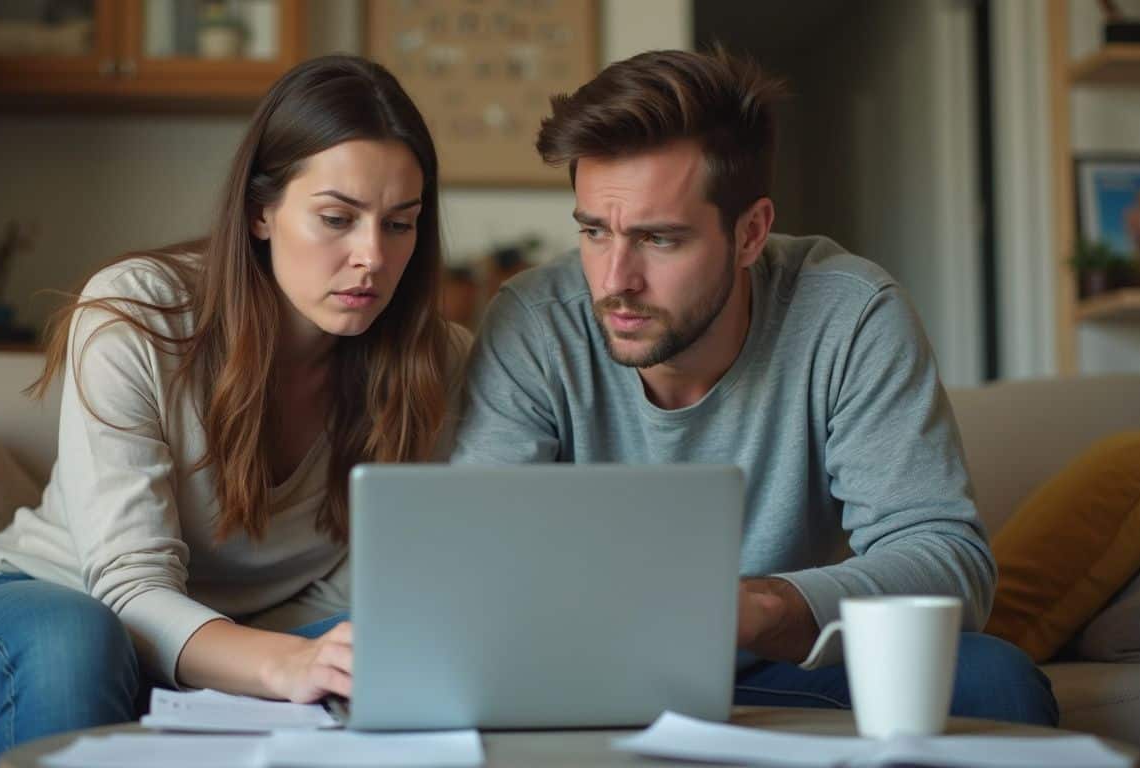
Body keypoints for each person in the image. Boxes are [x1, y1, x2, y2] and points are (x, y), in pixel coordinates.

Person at [450, 46, 1058, 725]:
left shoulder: (849, 313)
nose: (615, 280)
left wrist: (762, 609)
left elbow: (949, 561)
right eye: (593, 231)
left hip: (781, 664)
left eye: (659, 239)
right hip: (581, 661)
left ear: (750, 234)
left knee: (996, 683)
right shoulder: (534, 321)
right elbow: (476, 556)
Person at [0, 55, 467, 767]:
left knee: (408, 649)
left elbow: (365, 587)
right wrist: (276, 665)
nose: (372, 256)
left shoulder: (436, 360)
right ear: (261, 211)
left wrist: (260, 658)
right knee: (79, 643)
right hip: (52, 600)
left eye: (400, 224)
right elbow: (127, 585)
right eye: (337, 218)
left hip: (253, 633)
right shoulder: (136, 312)